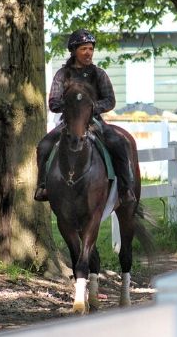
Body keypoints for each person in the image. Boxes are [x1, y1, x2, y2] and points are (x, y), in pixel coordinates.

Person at [34, 29, 137, 205]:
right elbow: (53, 102)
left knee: (119, 144)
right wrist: (72, 108)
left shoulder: (99, 74)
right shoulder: (62, 75)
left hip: (94, 121)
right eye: (83, 49)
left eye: (90, 49)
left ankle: (125, 190)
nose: (88, 52)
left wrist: (91, 108)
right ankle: (43, 186)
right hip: (69, 122)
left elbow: (110, 100)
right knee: (43, 146)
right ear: (74, 51)